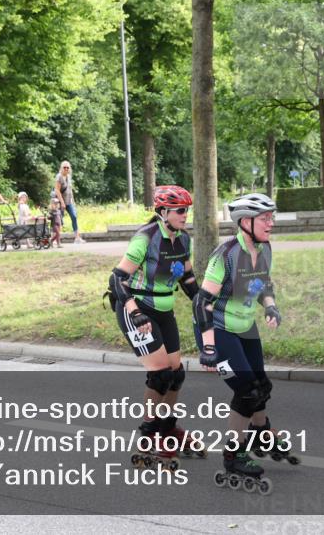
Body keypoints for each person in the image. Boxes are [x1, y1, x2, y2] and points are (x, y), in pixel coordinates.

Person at [194, 193, 292, 495]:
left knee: (261, 385)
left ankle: (260, 432)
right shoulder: (225, 255)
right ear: (245, 222)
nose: (270, 223)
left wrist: (270, 307)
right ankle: (233, 455)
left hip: (245, 327)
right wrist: (208, 348)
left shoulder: (264, 248)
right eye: (265, 219)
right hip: (218, 329)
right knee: (247, 390)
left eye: (271, 218)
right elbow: (201, 303)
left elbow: (263, 283)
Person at [107, 185, 203, 469]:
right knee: (161, 375)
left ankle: (168, 427)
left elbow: (187, 278)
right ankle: (149, 434)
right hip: (135, 308)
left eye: (187, 210)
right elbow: (117, 279)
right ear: (163, 212)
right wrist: (135, 312)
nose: (185, 215)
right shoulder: (146, 239)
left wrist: (204, 304)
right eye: (180, 210)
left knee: (176, 374)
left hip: (163, 310)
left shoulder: (183, 239)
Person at [54, 161, 83, 243]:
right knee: (59, 220)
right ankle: (55, 239)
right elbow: (57, 190)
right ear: (61, 168)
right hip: (60, 202)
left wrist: (73, 200)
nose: (66, 169)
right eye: (64, 167)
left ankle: (77, 238)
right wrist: (62, 202)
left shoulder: (69, 176)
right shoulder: (59, 177)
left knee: (74, 216)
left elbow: (70, 189)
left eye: (68, 167)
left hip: (69, 201)